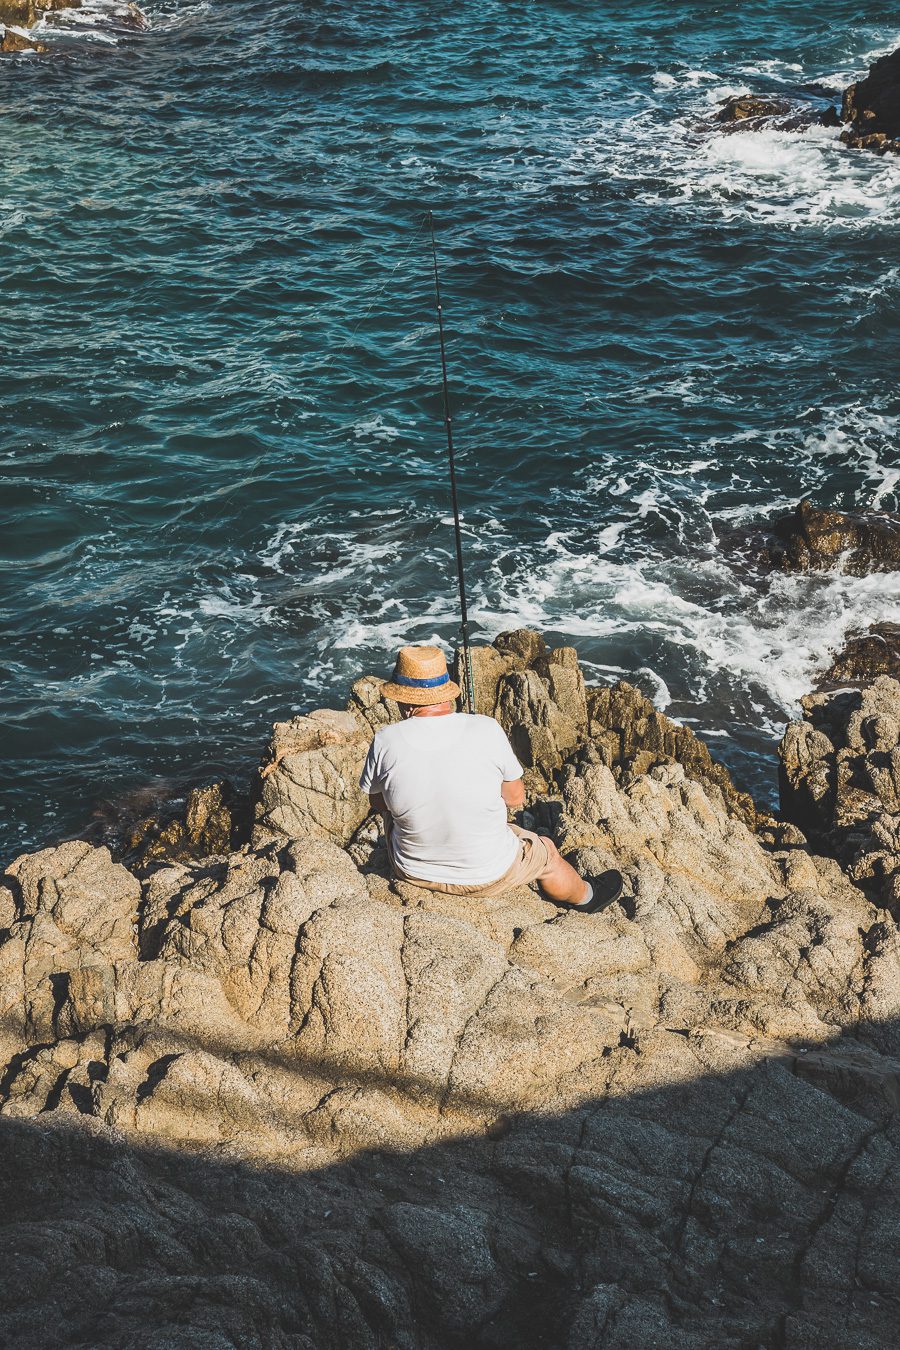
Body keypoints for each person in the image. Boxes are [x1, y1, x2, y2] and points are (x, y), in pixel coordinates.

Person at [359, 644, 623, 912]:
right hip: (489, 875)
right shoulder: (486, 728)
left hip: (414, 872)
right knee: (547, 853)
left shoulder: (385, 740)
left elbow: (378, 803)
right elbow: (515, 798)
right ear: (446, 692)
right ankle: (588, 897)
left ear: (403, 699)